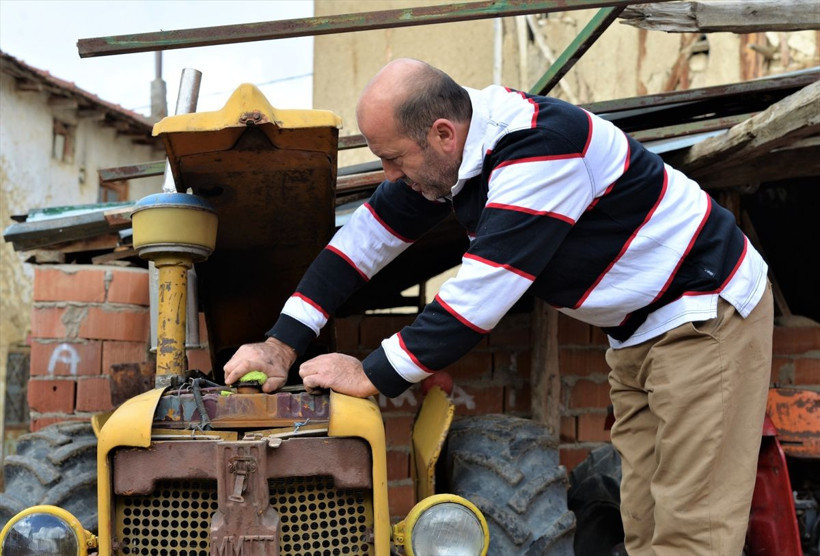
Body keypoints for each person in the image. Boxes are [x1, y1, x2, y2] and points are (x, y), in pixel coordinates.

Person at [224, 58, 773, 555]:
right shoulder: (456, 156)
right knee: (645, 524)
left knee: (692, 534)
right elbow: (360, 243)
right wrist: (281, 344)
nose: (390, 175)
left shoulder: (541, 148)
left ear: (443, 134)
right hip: (636, 335)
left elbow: (481, 295)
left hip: (703, 316)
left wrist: (371, 374)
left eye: (393, 159)